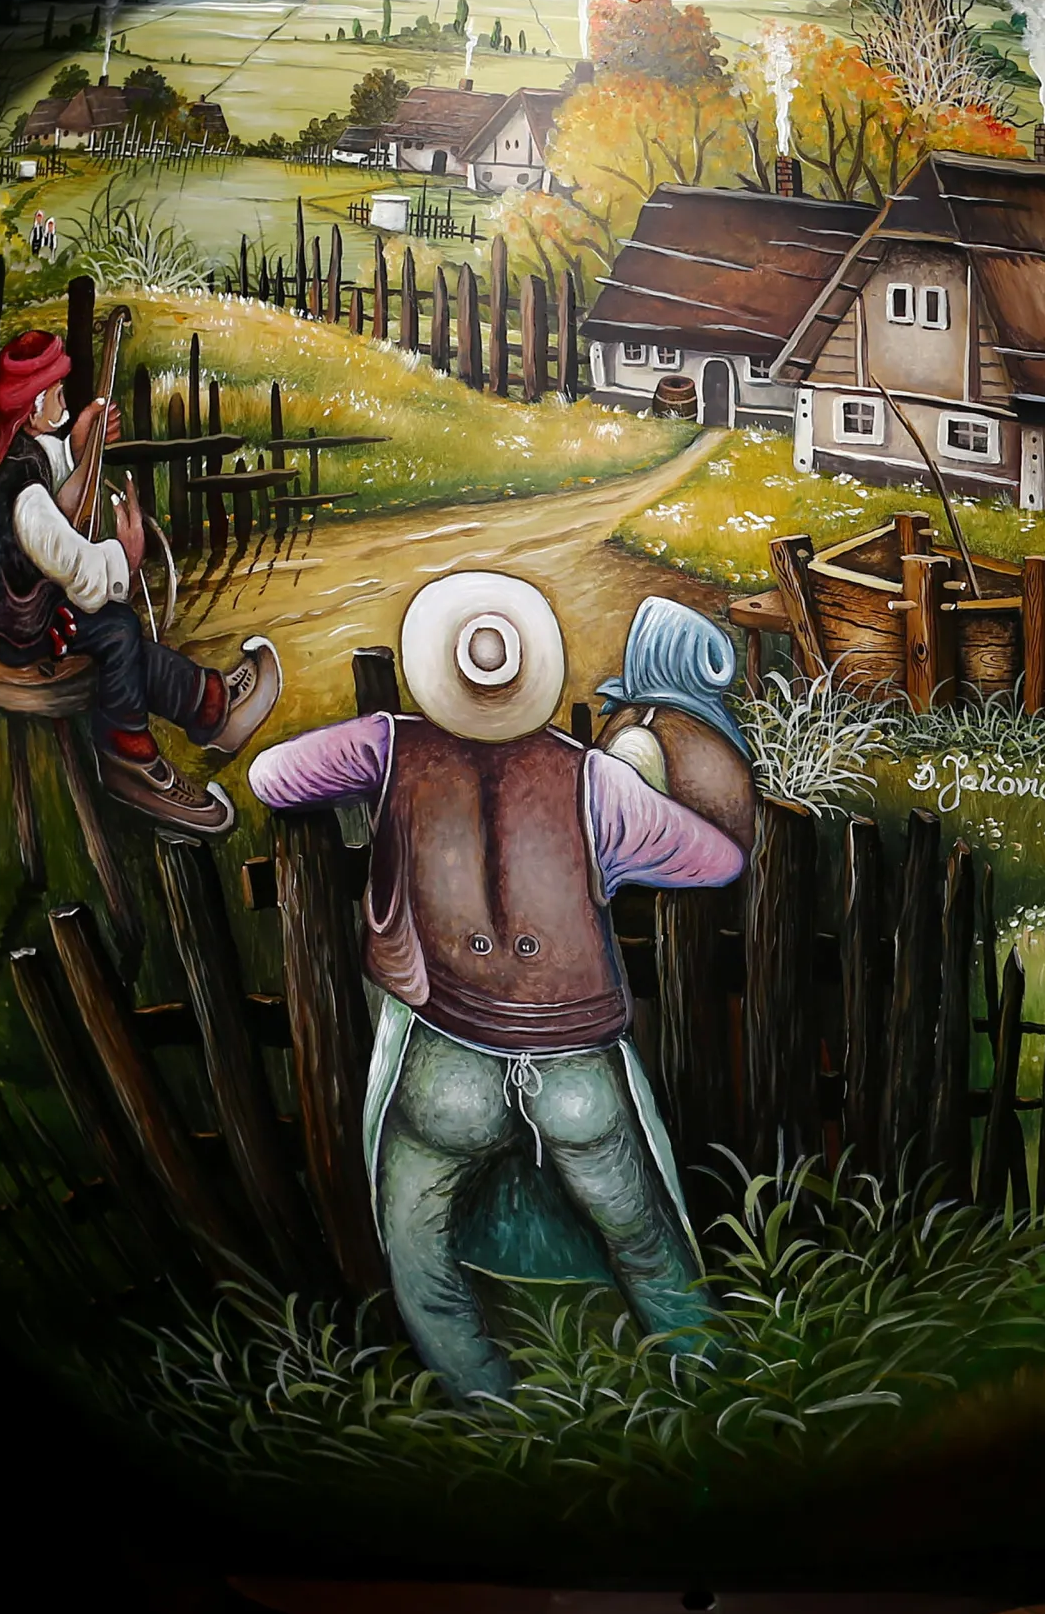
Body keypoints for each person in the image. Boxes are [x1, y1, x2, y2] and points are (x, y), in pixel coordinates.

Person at [247, 580, 749, 1405]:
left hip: (449, 1058)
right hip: (576, 1063)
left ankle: (492, 1413)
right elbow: (717, 860)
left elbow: (272, 777)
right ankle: (709, 1388)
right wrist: (608, 859)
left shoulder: (390, 748)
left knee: (420, 1255)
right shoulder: (592, 779)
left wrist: (383, 752)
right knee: (644, 1241)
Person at [0, 328, 278, 832]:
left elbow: (57, 488)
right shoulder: (24, 496)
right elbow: (75, 566)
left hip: (22, 611)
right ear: (33, 409)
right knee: (117, 630)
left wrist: (79, 447)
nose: (65, 402)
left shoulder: (26, 458)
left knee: (124, 643)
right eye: (57, 394)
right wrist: (125, 558)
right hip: (20, 630)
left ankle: (211, 707)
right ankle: (129, 756)